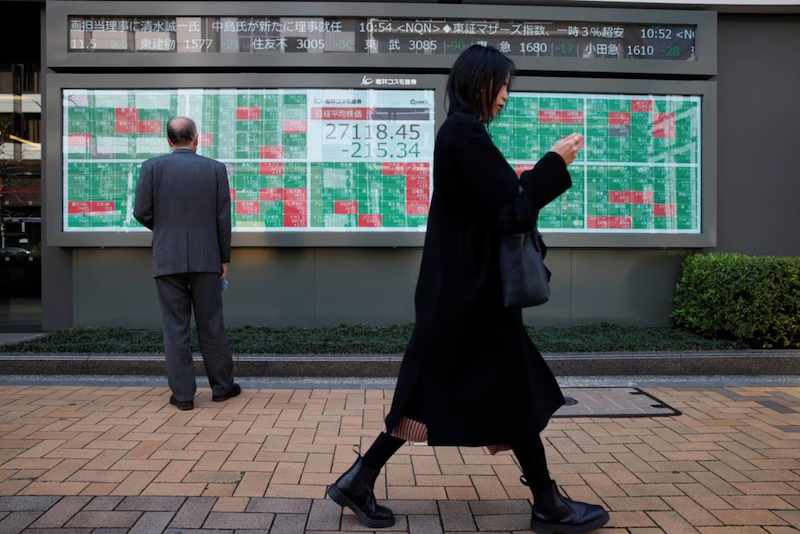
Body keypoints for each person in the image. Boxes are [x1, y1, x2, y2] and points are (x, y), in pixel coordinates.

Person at [326, 45, 609, 533]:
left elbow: (498, 204)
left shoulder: (461, 132)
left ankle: (359, 480)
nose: (505, 98)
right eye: (503, 87)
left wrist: (533, 177)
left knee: (444, 393)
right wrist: (554, 162)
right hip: (472, 300)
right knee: (510, 391)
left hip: (461, 297)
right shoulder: (464, 131)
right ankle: (548, 505)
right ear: (481, 83)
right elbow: (514, 209)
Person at [133, 116, 240, 411]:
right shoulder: (215, 169)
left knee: (175, 327)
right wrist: (223, 258)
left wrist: (165, 228)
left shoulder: (152, 167)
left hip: (167, 258)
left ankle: (182, 396)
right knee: (211, 324)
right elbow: (222, 219)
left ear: (169, 140)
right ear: (197, 139)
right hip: (207, 257)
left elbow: (141, 211)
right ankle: (222, 387)